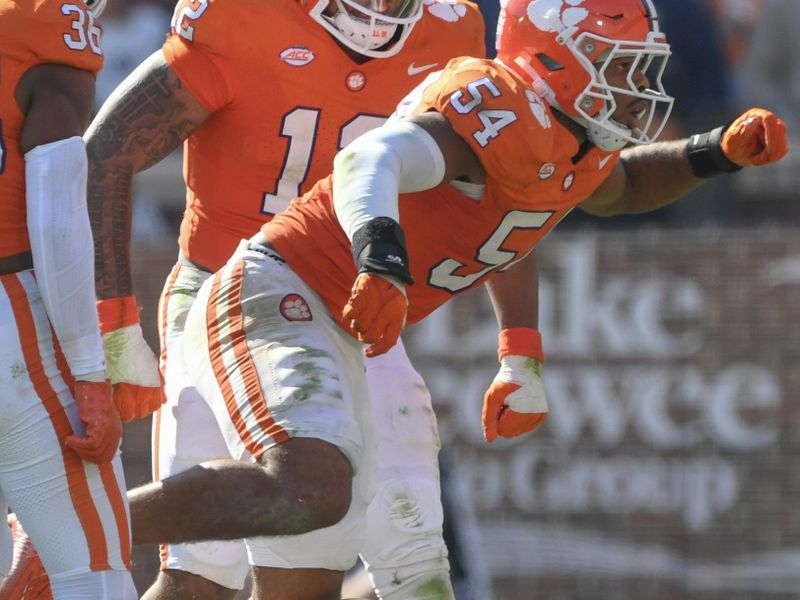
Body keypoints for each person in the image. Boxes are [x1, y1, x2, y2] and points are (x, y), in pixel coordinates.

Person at [124, 0, 788, 598]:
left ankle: (99, 521)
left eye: (639, 70)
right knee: (309, 497)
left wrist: (714, 154)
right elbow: (367, 162)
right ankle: (96, 521)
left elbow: (618, 190)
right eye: (617, 65)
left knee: (362, 565)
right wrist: (381, 261)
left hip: (348, 323)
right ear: (555, 59)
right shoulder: (498, 100)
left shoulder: (571, 140)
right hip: (280, 291)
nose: (636, 87)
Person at [84, 0, 505, 598]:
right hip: (223, 295)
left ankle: (77, 528)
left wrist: (520, 344)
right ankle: (76, 529)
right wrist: (113, 323)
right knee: (203, 577)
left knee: (348, 570)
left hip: (341, 310)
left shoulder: (452, 28)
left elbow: (500, 182)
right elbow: (108, 150)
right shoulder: (243, 15)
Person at [0, 0, 137, 598]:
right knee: (94, 574)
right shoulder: (41, 24)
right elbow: (56, 220)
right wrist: (89, 372)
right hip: (11, 307)